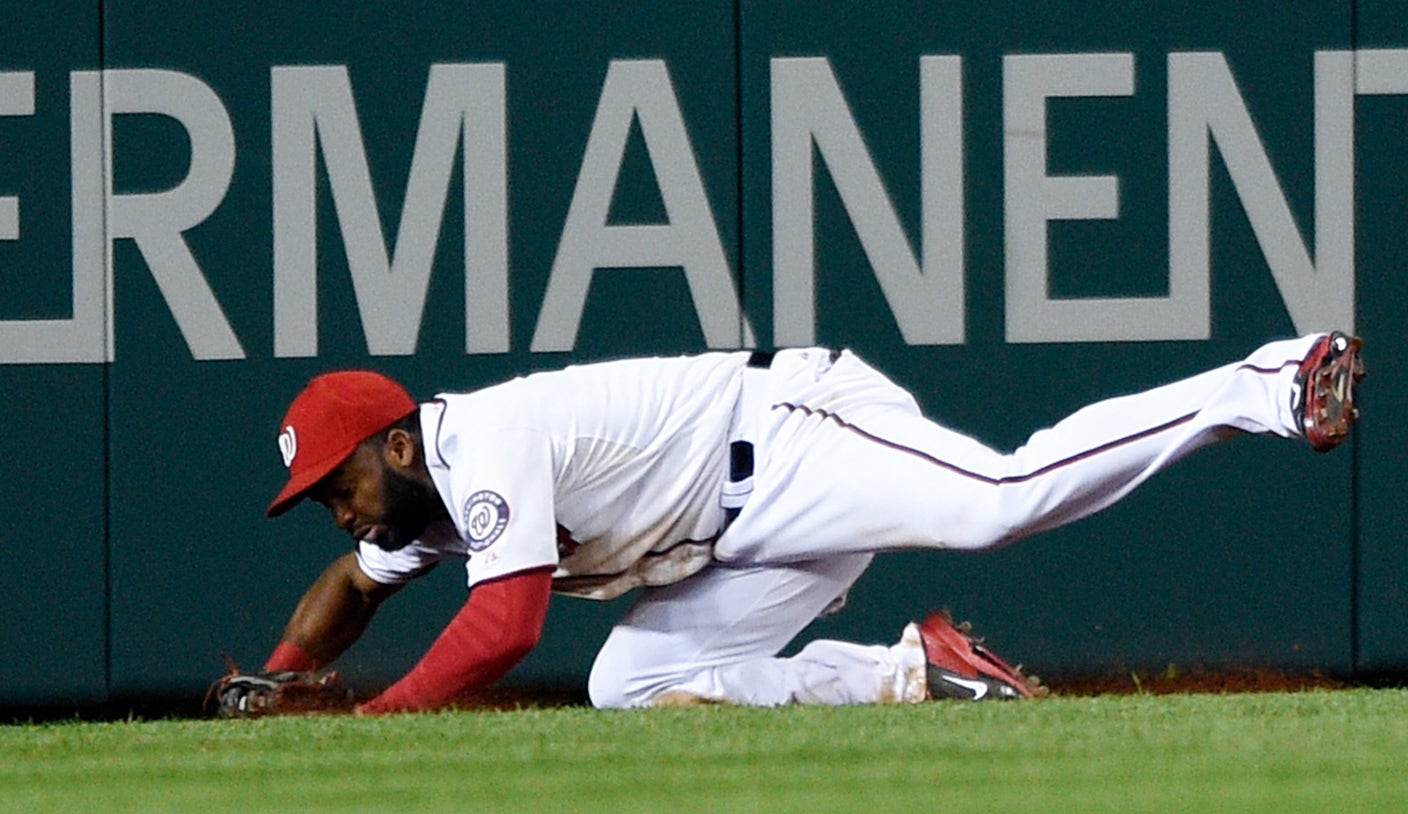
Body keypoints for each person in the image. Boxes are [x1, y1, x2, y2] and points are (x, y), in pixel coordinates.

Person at [256, 332, 1364, 712]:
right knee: (625, 686)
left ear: (394, 441)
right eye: (318, 500)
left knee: (997, 501)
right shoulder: (415, 503)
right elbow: (351, 586)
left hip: (790, 438)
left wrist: (384, 718)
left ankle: (1269, 378)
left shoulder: (478, 442)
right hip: (733, 538)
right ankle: (913, 673)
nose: (336, 509)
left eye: (336, 482)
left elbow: (505, 628)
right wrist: (272, 670)